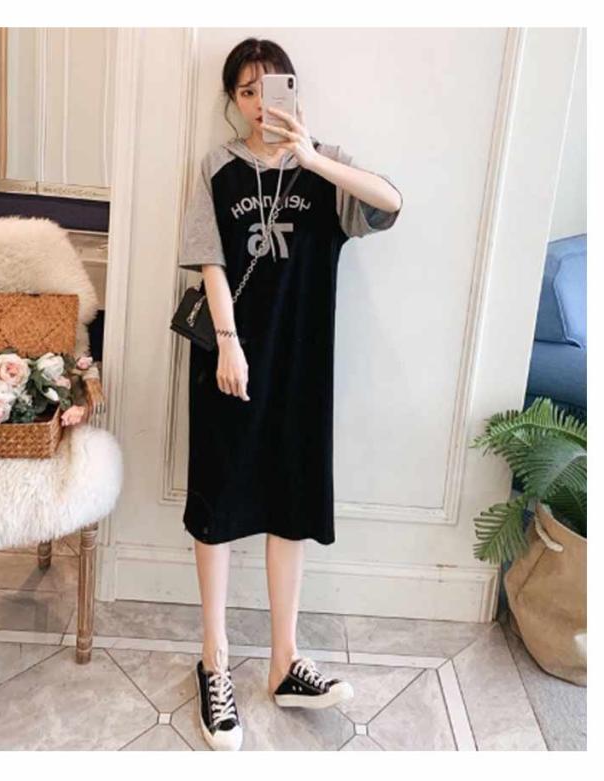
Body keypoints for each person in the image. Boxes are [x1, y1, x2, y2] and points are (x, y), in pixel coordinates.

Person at [178, 37, 403, 751]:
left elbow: (392, 203)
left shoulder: (323, 163)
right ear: (232, 100)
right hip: (231, 359)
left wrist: (311, 157)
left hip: (302, 362)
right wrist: (229, 341)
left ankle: (283, 662)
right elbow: (210, 257)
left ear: (293, 90)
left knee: (291, 502)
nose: (259, 103)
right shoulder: (216, 166)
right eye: (246, 91)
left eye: (271, 87)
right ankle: (214, 660)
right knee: (218, 503)